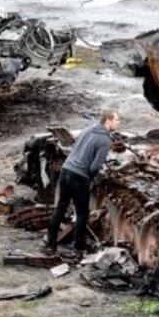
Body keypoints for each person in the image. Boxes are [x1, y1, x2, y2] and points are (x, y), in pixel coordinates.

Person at [45, 109, 120, 255]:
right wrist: (91, 177)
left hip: (66, 171)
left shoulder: (88, 130)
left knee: (60, 208)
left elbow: (75, 149)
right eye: (117, 120)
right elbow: (95, 166)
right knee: (82, 213)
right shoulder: (105, 140)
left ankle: (51, 244)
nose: (118, 123)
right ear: (108, 121)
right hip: (79, 177)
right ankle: (78, 247)